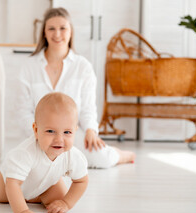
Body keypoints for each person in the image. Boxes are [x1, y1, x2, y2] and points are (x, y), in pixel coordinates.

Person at [16, 7, 135, 169]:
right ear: (44, 33)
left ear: (71, 32)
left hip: (71, 136)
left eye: (63, 28)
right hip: (39, 137)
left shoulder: (83, 66)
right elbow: (23, 111)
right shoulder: (28, 67)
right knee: (30, 164)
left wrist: (91, 131)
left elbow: (88, 108)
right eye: (51, 28)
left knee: (100, 159)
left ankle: (120, 155)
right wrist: (38, 137)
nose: (57, 34)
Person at [0, 92, 88, 213]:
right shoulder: (26, 153)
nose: (59, 139)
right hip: (11, 183)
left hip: (46, 183)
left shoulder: (73, 155)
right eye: (50, 131)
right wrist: (22, 211)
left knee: (59, 199)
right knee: (2, 198)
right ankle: (30, 196)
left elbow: (81, 181)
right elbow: (13, 184)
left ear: (75, 131)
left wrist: (66, 203)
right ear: (36, 130)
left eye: (67, 132)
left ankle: (36, 194)